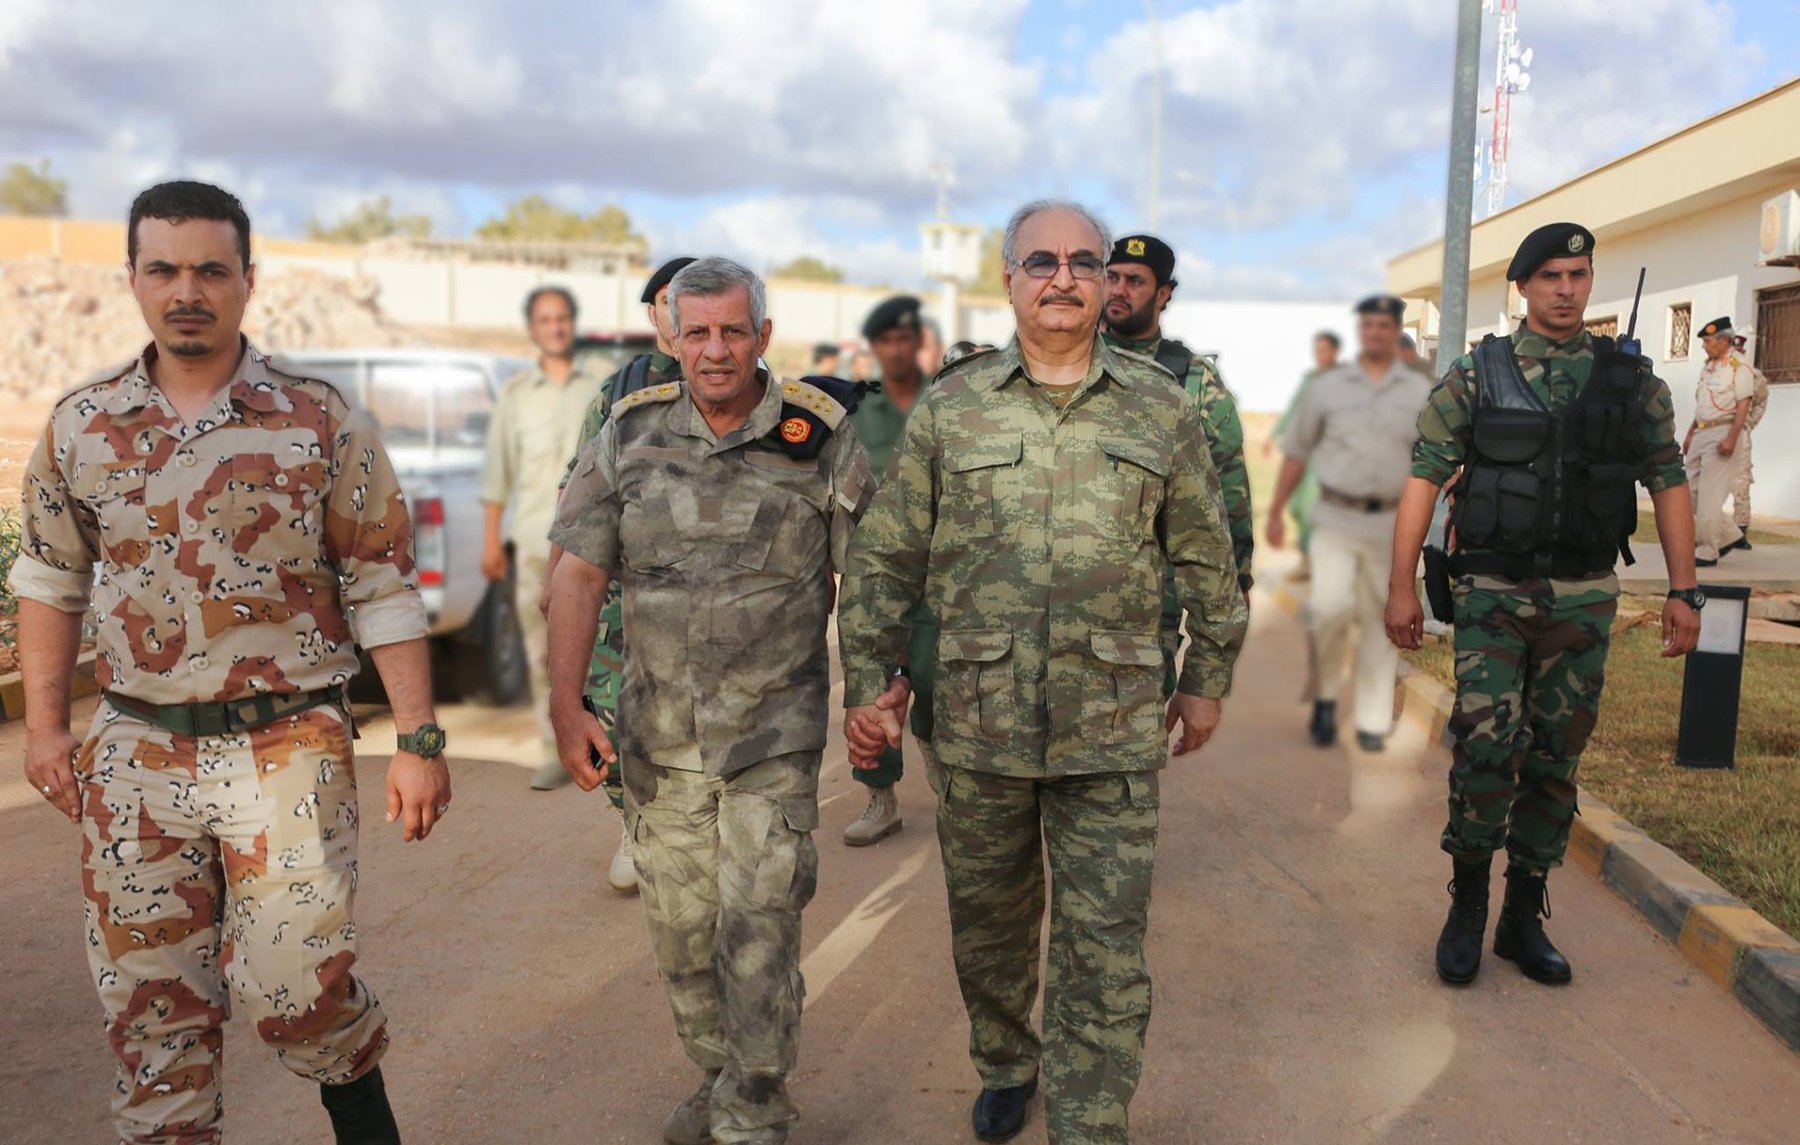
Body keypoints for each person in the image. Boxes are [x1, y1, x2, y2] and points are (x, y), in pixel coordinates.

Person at [9, 180, 451, 1145]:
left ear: (249, 281)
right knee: (151, 1012)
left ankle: (360, 1108)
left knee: (298, 985)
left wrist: (419, 737)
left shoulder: (318, 418)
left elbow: (382, 581)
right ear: (132, 279)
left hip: (286, 743)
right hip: (135, 752)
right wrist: (46, 727)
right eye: (163, 268)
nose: (187, 290)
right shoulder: (82, 424)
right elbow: (48, 577)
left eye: (211, 269)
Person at [839, 200, 1247, 1145]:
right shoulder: (954, 405)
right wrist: (870, 683)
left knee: (1103, 949)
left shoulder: (1163, 407)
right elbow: (887, 558)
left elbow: (1205, 553)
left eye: (1082, 261)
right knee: (989, 931)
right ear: (1011, 279)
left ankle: (1091, 1123)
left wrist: (1208, 672)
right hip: (980, 725)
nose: (1062, 277)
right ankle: (1007, 1061)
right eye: (1041, 261)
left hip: (1112, 724)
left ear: (1108, 282)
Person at [545, 258, 873, 1145]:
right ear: (671, 337)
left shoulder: (821, 436)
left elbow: (872, 578)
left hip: (772, 739)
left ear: (763, 336)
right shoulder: (629, 433)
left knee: (759, 930)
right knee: (684, 941)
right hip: (659, 740)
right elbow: (576, 573)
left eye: (734, 331)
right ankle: (722, 1073)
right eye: (698, 333)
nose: (716, 350)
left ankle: (755, 1108)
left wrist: (876, 694)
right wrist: (566, 705)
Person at [1386, 221, 1702, 988]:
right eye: (1551, 275)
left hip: (1585, 596)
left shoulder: (1630, 383)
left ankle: (1522, 915)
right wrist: (1400, 586)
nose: (1566, 288)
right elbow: (1425, 475)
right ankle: (1466, 904)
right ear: (1522, 286)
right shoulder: (1477, 373)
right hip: (1492, 594)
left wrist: (1685, 591)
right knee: (1489, 747)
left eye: (1579, 274)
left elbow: (1668, 480)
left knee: (1556, 759)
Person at [540, 255, 695, 893]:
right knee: (606, 708)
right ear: (654, 311)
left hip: (707, 586)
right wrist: (556, 581)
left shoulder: (740, 381)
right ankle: (634, 819)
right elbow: (576, 491)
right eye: (669, 299)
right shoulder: (620, 392)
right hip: (624, 583)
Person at [1266, 297, 1430, 753]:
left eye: (1385, 325)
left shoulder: (1420, 393)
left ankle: (1374, 720)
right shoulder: (1329, 388)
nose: (1376, 332)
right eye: (1368, 325)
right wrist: (1277, 509)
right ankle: (1324, 700)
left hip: (1392, 524)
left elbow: (1436, 461)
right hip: (1336, 518)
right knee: (1331, 612)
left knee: (1384, 619)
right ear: (1360, 331)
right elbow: (1297, 451)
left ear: (1396, 330)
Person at [481, 285, 609, 790]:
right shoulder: (515, 396)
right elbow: (498, 472)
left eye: (562, 318)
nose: (555, 327)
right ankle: (554, 745)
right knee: (538, 652)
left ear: (572, 325)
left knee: (600, 648)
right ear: (533, 330)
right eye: (545, 320)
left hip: (590, 549)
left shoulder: (599, 387)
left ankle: (603, 740)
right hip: (533, 543)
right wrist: (492, 540)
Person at [1102, 234, 1255, 592]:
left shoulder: (1193, 378)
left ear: (1163, 293)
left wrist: (1237, 579)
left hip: (1150, 596)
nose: (1119, 290)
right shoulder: (1068, 362)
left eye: (1135, 280)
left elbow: (1227, 484)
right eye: (1112, 277)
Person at [841, 294, 939, 846]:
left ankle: (951, 791)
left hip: (940, 580)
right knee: (875, 687)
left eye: (906, 339)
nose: (897, 349)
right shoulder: (857, 410)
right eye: (887, 341)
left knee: (940, 683)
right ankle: (880, 799)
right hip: (878, 579)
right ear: (875, 348)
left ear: (918, 343)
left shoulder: (946, 401)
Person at [1684, 316, 1759, 566]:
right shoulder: (1708, 367)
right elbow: (1703, 405)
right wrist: (1690, 433)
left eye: (1707, 341)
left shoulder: (1739, 366)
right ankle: (1728, 535)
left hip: (1723, 433)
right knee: (1687, 489)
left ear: (1724, 340)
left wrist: (1732, 437)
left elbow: (1743, 404)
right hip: (1701, 432)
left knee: (1710, 495)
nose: (1704, 346)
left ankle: (1707, 550)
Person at [1267, 331, 1340, 577]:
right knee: (1299, 506)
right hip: (1305, 453)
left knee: (1314, 507)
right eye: (1317, 350)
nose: (1320, 355)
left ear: (1334, 352)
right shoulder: (1310, 379)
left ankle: (1315, 563)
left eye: (1324, 350)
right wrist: (1273, 435)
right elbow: (1294, 410)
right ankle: (1309, 559)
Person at [1727, 330, 1770, 548]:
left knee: (1741, 481)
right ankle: (1714, 531)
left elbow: (1762, 400)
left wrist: (1750, 423)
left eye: (1739, 350)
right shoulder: (1718, 372)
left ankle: (1740, 532)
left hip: (1741, 435)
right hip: (1719, 431)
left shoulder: (1754, 376)